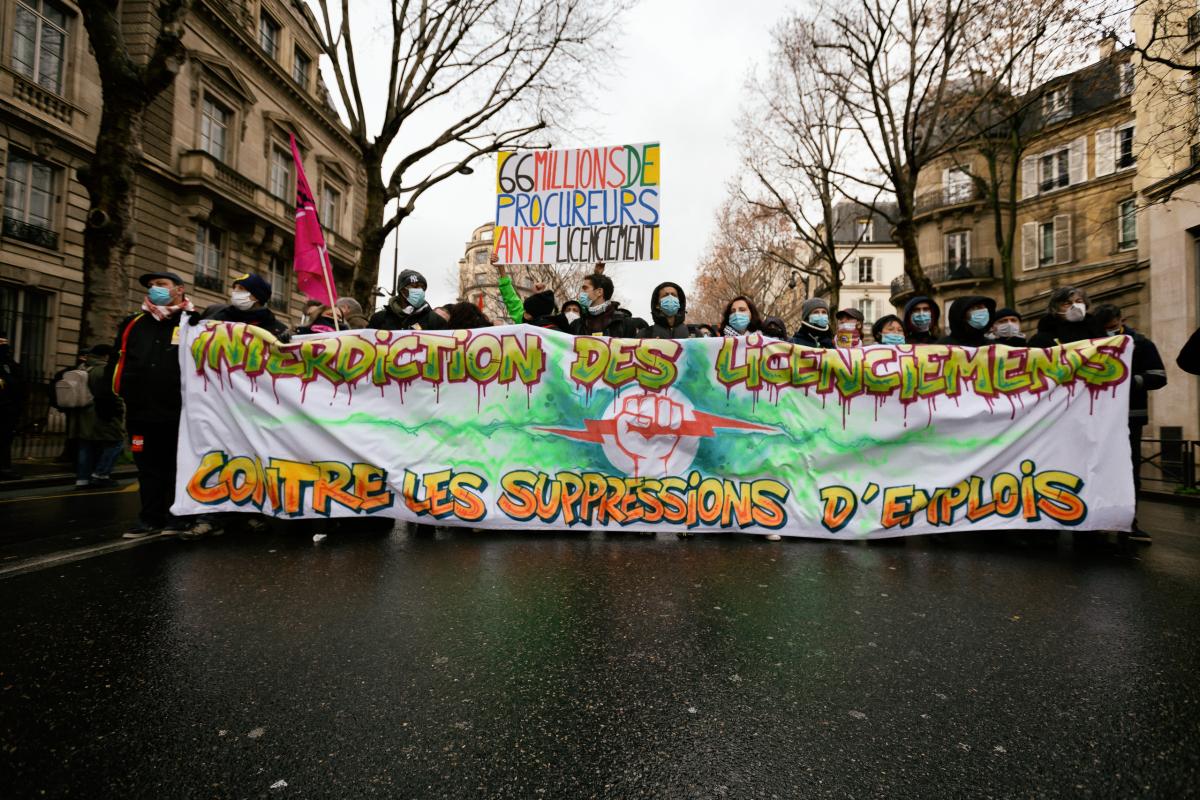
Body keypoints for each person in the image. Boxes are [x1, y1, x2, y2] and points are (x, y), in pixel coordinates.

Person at [108, 271, 204, 538]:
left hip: (179, 414)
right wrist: (116, 396)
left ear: (180, 290)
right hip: (141, 414)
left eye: (161, 285)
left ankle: (178, 517)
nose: (154, 289)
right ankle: (149, 519)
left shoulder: (195, 323)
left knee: (177, 466)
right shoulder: (134, 324)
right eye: (151, 286)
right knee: (147, 467)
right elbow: (117, 361)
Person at [1094, 304, 1167, 544]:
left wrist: (1127, 380)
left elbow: (1158, 377)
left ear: (1121, 320)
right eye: (1105, 328)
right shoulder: (1091, 343)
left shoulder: (1141, 343)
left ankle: (1129, 522)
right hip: (1097, 418)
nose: (1109, 331)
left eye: (1113, 326)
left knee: (1129, 472)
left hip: (1130, 418)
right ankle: (1099, 521)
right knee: (1098, 469)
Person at [75, 344, 126, 489]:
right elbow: (109, 394)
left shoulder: (83, 368)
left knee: (86, 445)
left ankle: (82, 479)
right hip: (102, 413)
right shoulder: (103, 370)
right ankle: (101, 474)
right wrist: (119, 408)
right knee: (116, 442)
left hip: (85, 413)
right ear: (106, 356)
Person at [197, 273, 288, 336]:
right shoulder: (216, 313)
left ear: (256, 297)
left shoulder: (278, 330)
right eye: (234, 287)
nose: (235, 291)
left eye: (241, 288)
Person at [1028, 286, 1106, 347]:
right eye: (1067, 303)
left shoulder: (1096, 328)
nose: (1075, 306)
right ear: (1055, 309)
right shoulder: (1042, 337)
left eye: (1079, 301)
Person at [569, 272, 638, 337]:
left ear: (599, 292)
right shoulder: (576, 325)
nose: (581, 293)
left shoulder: (625, 323)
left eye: (585, 288)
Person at [368, 269, 440, 330]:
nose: (419, 290)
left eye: (422, 287)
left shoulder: (435, 320)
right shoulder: (380, 319)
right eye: (414, 286)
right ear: (402, 290)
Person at [0, 332, 22, 480]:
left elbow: (18, 383)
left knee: (5, 438)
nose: (5, 347)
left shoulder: (9, 364)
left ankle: (4, 467)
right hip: (4, 405)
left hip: (8, 407)